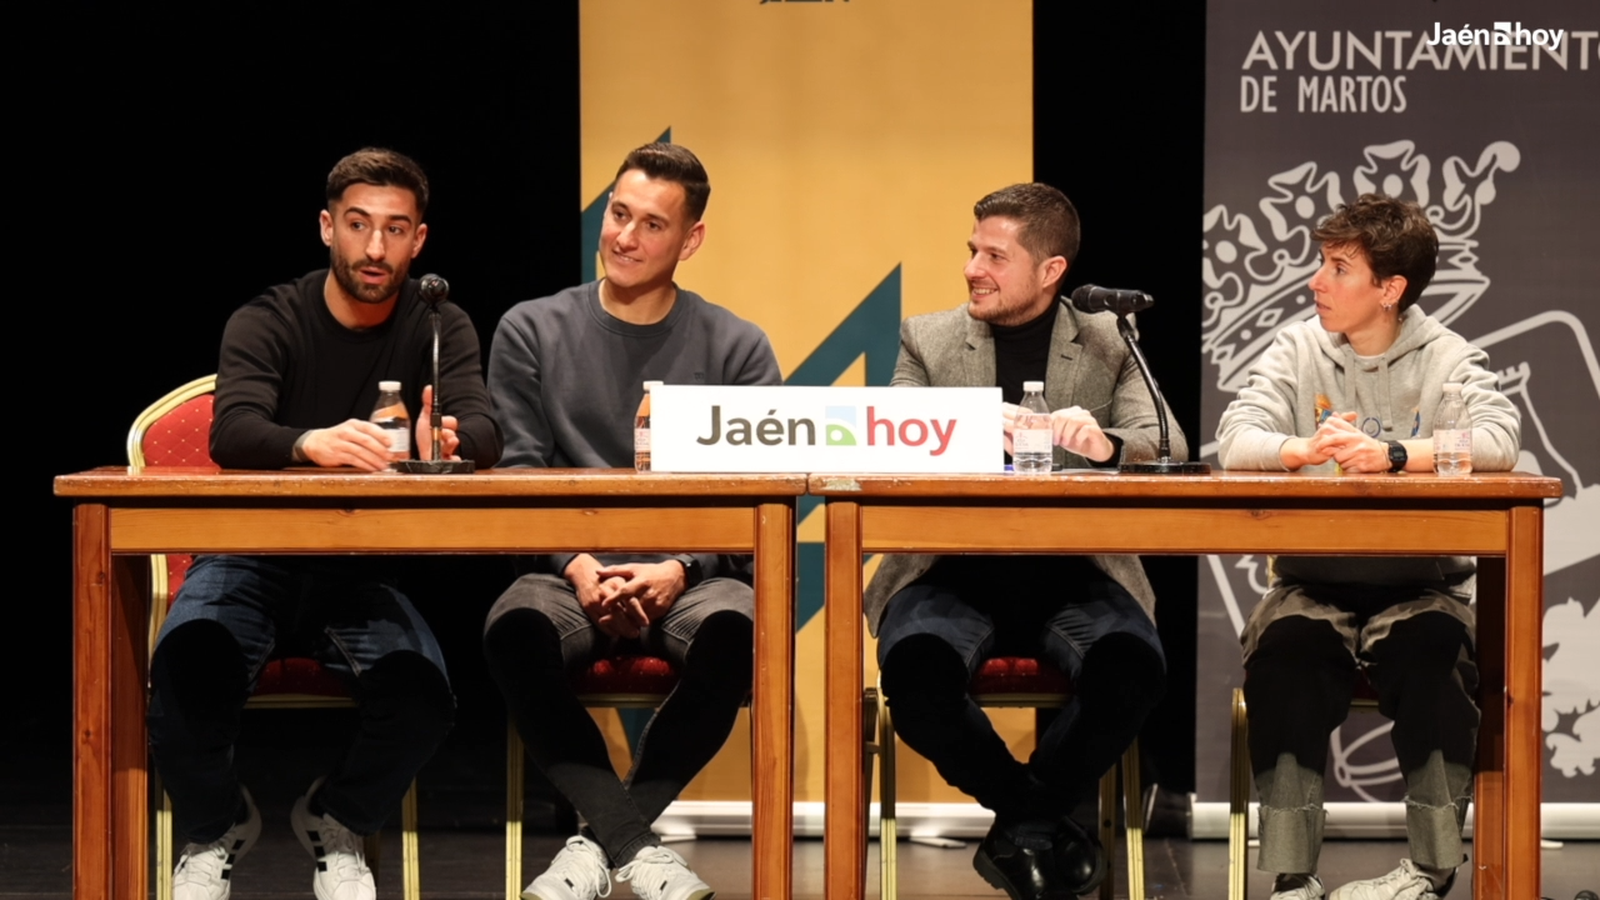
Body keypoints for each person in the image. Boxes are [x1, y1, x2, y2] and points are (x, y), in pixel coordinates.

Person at [147, 147, 502, 900]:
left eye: (395, 229)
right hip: (247, 556)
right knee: (182, 674)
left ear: (420, 240)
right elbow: (232, 432)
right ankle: (214, 827)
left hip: (360, 566)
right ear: (326, 228)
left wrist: (453, 439)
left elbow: (487, 430)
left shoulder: (439, 324)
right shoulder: (268, 317)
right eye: (359, 225)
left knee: (422, 698)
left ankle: (339, 822)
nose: (376, 248)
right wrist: (310, 444)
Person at [866, 183, 1181, 900]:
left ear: (1050, 271)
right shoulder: (929, 337)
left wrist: (1104, 444)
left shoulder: (1107, 340)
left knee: (1132, 670)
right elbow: (892, 440)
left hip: (1076, 569)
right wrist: (984, 425)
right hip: (950, 569)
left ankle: (1022, 826)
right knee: (916, 675)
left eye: (995, 257)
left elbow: (1165, 442)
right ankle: (1034, 819)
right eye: (973, 251)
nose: (974, 268)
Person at [483, 142, 781, 900]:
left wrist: (680, 567)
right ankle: (631, 843)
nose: (625, 237)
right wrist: (577, 564)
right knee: (514, 630)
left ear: (690, 240)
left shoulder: (739, 347)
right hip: (564, 562)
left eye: (652, 225)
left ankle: (601, 842)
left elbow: (755, 495)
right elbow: (518, 471)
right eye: (618, 214)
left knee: (740, 634)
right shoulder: (530, 328)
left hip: (690, 571)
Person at [1216, 194, 1521, 900]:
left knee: (1435, 657)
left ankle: (1430, 872)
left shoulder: (1446, 356)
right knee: (1285, 655)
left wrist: (1392, 453)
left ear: (1390, 290)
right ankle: (1293, 878)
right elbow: (1235, 437)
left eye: (1338, 268)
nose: (1316, 282)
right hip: (1309, 584)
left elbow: (1500, 441)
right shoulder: (1297, 348)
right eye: (1322, 264)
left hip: (1422, 587)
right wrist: (1302, 447)